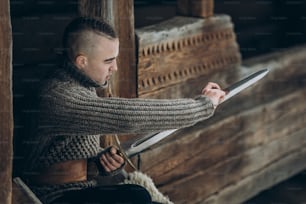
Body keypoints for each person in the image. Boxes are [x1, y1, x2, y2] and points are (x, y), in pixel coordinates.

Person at [20, 17, 225, 204]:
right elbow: (128, 115)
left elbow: (63, 153)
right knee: (137, 195)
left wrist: (99, 164)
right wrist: (201, 106)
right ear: (82, 61)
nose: (115, 68)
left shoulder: (83, 86)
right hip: (50, 198)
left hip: (80, 190)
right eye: (108, 61)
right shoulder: (57, 96)